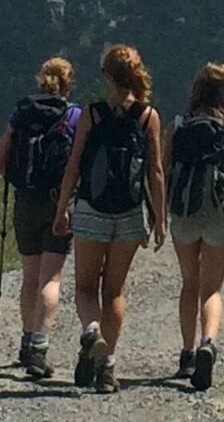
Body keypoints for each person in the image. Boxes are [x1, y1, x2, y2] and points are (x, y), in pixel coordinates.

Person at [52, 44, 167, 393]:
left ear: (107, 76)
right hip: (130, 213)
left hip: (92, 209)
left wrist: (62, 209)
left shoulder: (93, 113)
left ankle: (92, 332)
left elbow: (74, 164)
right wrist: (159, 220)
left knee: (86, 286)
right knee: (114, 289)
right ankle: (108, 368)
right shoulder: (149, 117)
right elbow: (156, 171)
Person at [0, 57, 80, 379]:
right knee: (50, 278)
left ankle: (26, 342)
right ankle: (40, 348)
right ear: (68, 83)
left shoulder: (21, 113)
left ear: (41, 79)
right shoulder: (73, 116)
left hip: (25, 201)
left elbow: (0, 161)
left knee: (30, 276)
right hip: (58, 203)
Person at [164, 63, 224, 391]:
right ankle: (207, 344)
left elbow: (164, 166)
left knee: (189, 283)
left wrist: (161, 211)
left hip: (184, 211)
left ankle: (186, 354)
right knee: (211, 288)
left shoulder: (179, 124)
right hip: (219, 211)